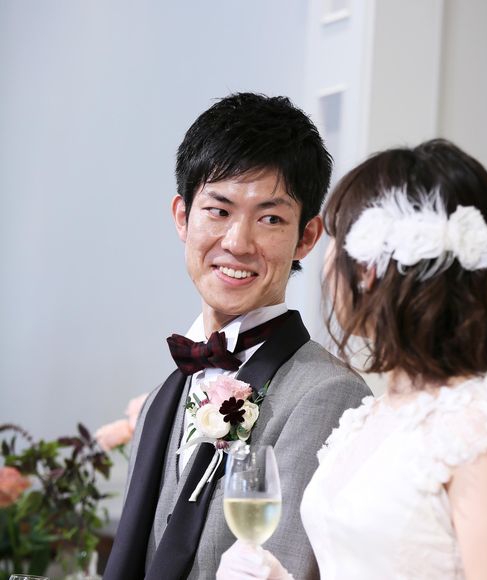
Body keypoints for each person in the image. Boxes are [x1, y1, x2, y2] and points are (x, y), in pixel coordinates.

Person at [217, 139, 487, 579]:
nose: (326, 263)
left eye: (336, 239)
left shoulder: (476, 434)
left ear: (371, 267)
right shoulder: (374, 416)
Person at [104, 93, 370, 580]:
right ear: (182, 217)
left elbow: (287, 566)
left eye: (270, 218)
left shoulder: (330, 396)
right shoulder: (162, 397)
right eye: (218, 210)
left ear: (306, 237)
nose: (237, 242)